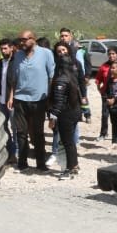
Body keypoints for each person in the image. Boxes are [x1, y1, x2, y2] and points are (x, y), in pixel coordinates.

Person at [6, 30, 54, 172]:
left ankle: (40, 163)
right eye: (20, 40)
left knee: (38, 132)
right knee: (21, 132)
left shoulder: (46, 53)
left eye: (24, 40)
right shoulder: (18, 55)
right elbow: (14, 78)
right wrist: (11, 96)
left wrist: (50, 99)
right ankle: (22, 162)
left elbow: (51, 77)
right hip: (20, 99)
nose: (21, 43)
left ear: (33, 39)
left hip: (39, 99)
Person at [47, 40, 83, 179]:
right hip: (75, 111)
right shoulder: (71, 78)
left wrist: (52, 117)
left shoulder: (61, 79)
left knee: (67, 142)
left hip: (65, 114)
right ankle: (74, 165)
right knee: (71, 142)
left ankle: (69, 169)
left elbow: (59, 102)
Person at [0, 38, 17, 163]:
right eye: (1, 48)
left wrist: (12, 97)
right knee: (2, 126)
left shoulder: (17, 61)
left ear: (11, 48)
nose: (3, 51)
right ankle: (10, 150)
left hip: (13, 100)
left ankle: (17, 153)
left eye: (5, 48)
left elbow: (16, 81)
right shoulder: (1, 62)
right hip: (1, 99)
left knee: (15, 127)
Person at [96, 47, 117, 142]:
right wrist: (101, 91)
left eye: (113, 53)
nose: (111, 55)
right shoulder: (104, 67)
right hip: (106, 95)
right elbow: (98, 80)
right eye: (109, 54)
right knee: (105, 115)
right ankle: (103, 134)